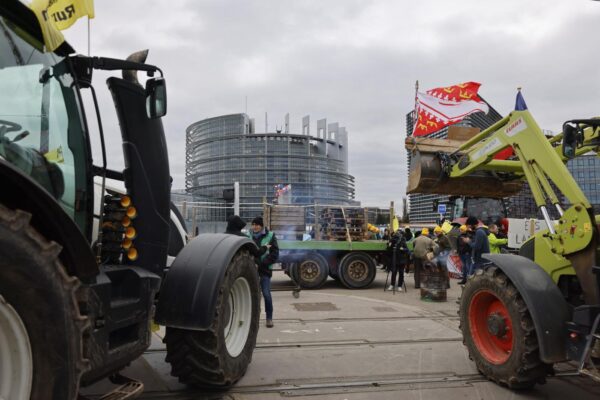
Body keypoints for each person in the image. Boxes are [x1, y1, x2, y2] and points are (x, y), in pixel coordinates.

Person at [248, 216, 279, 328]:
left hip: (265, 270)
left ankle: (269, 318)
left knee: (266, 294)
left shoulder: (270, 236)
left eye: (257, 225)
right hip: (252, 270)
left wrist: (262, 263)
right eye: (253, 224)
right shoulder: (248, 236)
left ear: (261, 226)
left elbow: (275, 254)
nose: (254, 227)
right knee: (251, 295)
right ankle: (251, 319)